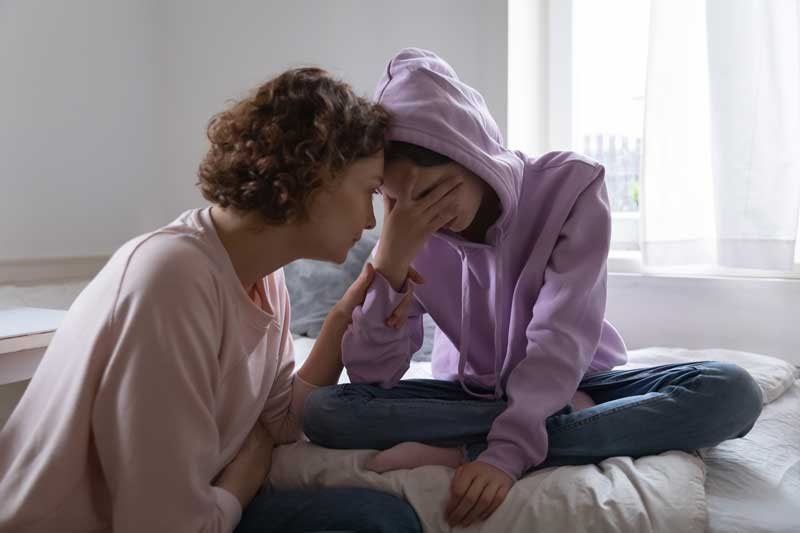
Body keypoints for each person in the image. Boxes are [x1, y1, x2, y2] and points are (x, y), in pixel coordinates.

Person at [302, 48, 764, 529]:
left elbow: (558, 337)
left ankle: (466, 447)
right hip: (472, 393)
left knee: (731, 392)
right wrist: (389, 268)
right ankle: (551, 429)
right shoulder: (408, 233)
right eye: (397, 199)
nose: (424, 215)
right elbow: (373, 379)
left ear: (473, 157)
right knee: (327, 412)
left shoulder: (572, 188)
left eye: (436, 191)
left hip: (582, 380)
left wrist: (504, 453)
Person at [0, 68, 427, 533]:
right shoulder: (171, 278)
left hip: (201, 509)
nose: (370, 220)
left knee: (379, 519)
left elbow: (281, 421)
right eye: (368, 191)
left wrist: (344, 315)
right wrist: (241, 483)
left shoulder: (266, 280)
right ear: (311, 177)